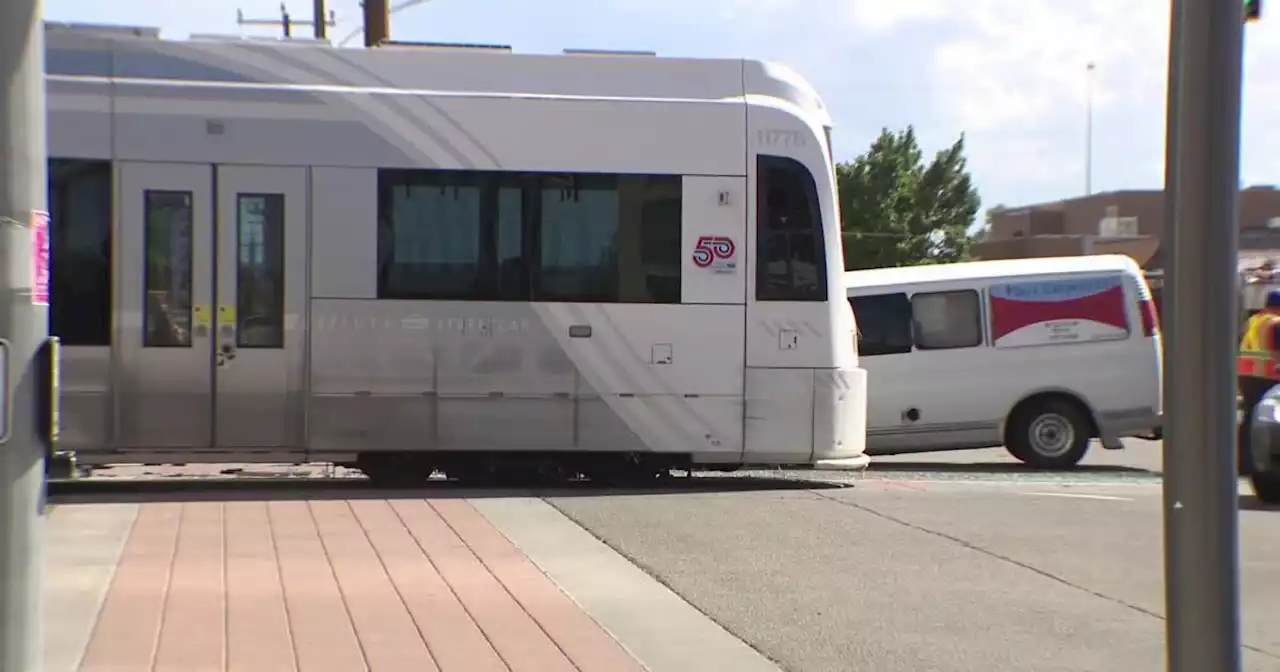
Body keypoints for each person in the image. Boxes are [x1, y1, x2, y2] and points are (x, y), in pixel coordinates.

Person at [1237, 289, 1280, 474]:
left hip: (1246, 375)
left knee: (1249, 420)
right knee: (1264, 423)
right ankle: (1257, 464)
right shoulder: (1276, 323)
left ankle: (1243, 464)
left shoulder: (1255, 320)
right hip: (1267, 376)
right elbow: (1277, 353)